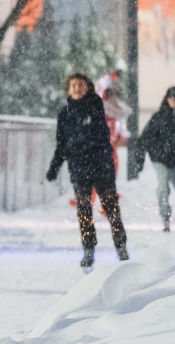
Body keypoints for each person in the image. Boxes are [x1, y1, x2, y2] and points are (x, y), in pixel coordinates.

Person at [47, 72, 127, 270]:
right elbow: (62, 143)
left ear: (88, 87)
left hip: (100, 165)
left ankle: (121, 246)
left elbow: (95, 133)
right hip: (80, 168)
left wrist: (90, 150)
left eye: (81, 85)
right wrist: (54, 167)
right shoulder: (64, 113)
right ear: (68, 88)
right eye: (73, 85)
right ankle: (88, 249)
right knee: (84, 210)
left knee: (111, 207)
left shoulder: (95, 106)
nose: (77, 88)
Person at [139, 86, 175, 231]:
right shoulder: (158, 117)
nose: (174, 100)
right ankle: (165, 217)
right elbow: (145, 138)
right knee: (163, 187)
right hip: (161, 160)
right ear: (167, 98)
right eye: (171, 97)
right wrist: (151, 154)